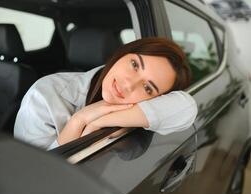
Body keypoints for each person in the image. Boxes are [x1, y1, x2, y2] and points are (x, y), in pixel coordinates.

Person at [14, 37, 198, 150]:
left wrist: (101, 120)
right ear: (122, 54)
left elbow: (187, 107)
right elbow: (37, 179)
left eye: (147, 88)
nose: (128, 84)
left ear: (157, 101)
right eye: (134, 65)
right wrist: (79, 120)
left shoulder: (141, 110)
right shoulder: (45, 94)